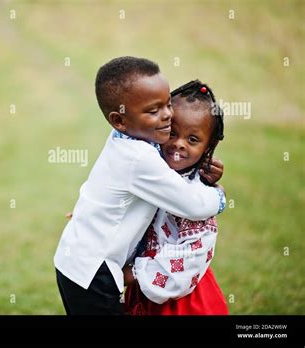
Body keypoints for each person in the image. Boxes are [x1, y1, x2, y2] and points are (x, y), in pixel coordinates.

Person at [53, 57, 226, 315]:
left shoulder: (125, 138)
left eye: (167, 104)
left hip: (75, 262)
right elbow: (193, 205)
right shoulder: (139, 157)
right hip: (93, 272)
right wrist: (219, 196)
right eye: (153, 111)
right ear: (119, 120)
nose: (168, 115)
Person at [123, 80, 229, 315]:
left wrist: (134, 273)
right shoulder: (147, 169)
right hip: (143, 290)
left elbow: (189, 259)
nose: (179, 144)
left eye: (192, 139)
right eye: (172, 132)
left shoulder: (196, 199)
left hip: (179, 298)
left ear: (208, 147)